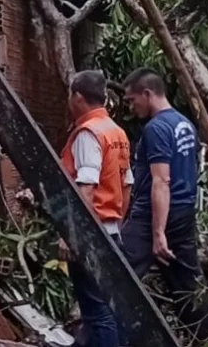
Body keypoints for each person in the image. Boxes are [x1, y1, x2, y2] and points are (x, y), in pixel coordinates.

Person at [120, 68, 208, 345]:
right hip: (184, 212)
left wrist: (158, 232)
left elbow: (161, 180)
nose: (130, 107)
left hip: (155, 214)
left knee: (117, 271)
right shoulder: (184, 124)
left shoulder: (156, 128)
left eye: (131, 100)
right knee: (187, 283)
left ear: (147, 94)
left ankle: (97, 339)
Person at [58, 70, 132, 347]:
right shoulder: (116, 132)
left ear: (77, 97)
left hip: (90, 235)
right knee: (112, 307)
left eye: (69, 95)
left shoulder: (88, 133)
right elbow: (126, 184)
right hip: (111, 231)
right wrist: (117, 225)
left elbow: (86, 187)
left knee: (96, 312)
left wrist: (71, 234)